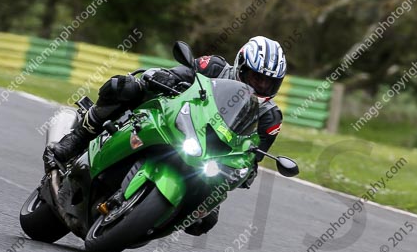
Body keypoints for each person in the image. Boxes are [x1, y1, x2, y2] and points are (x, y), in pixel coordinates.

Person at [44, 36, 287, 235]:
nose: (261, 86)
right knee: (125, 86)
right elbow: (181, 73)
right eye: (256, 77)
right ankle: (76, 139)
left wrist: (246, 172)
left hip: (211, 157)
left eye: (268, 83)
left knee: (205, 221)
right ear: (241, 66)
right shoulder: (214, 67)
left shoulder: (269, 118)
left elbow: (252, 156)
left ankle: (152, 220)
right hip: (178, 121)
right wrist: (164, 77)